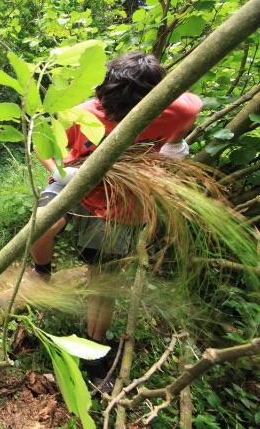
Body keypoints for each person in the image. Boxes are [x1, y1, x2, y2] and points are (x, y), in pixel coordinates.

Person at [28, 52, 202, 392]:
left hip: (120, 201)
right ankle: (42, 271)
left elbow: (184, 123)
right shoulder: (82, 112)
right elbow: (42, 144)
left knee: (103, 279)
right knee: (40, 225)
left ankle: (95, 356)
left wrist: (175, 147)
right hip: (73, 179)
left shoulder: (177, 107)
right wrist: (61, 174)